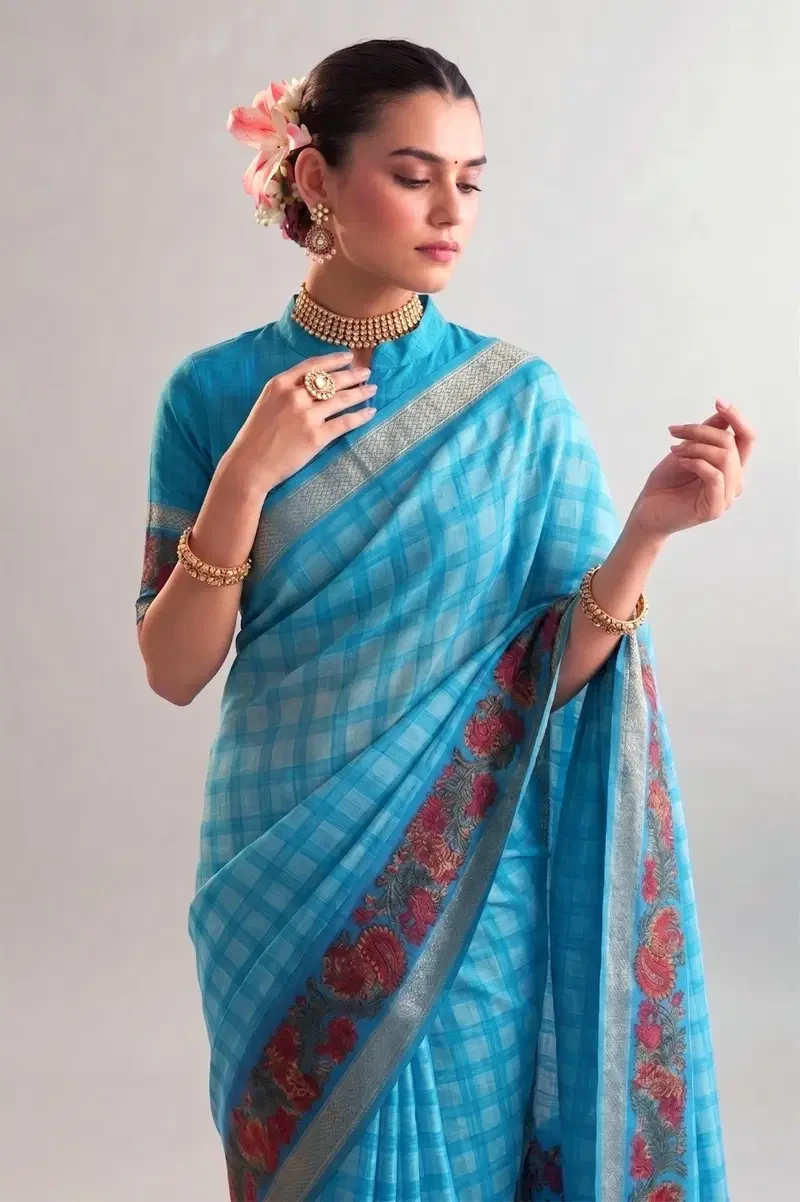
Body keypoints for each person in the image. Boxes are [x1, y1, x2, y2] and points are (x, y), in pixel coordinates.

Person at [135, 39, 754, 1202]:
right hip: (278, 877)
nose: (449, 209)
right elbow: (173, 667)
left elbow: (548, 674)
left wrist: (647, 533)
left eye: (468, 179)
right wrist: (244, 475)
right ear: (314, 177)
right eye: (412, 174)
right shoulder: (213, 393)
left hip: (466, 878)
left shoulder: (517, 402)